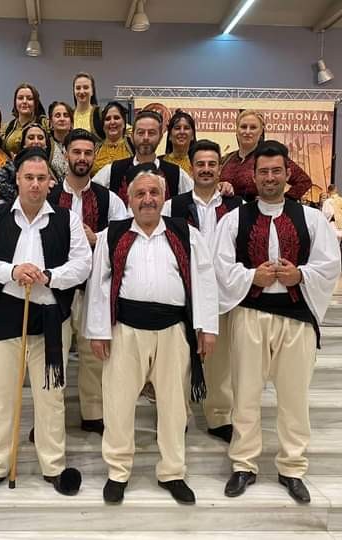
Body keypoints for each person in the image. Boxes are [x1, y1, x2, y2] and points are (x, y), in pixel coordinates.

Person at [213, 141, 341, 504]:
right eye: (263, 172)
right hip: (250, 314)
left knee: (294, 397)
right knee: (245, 395)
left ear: (287, 174)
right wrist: (251, 276)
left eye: (276, 171)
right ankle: (244, 464)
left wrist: (300, 275)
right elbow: (220, 266)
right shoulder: (234, 219)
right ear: (253, 176)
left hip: (296, 318)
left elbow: (329, 264)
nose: (270, 178)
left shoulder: (311, 219)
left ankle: (292, 467)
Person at [84, 170, 218, 505]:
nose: (147, 200)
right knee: (117, 403)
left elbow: (204, 279)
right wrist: (99, 331)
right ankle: (118, 471)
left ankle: (172, 472)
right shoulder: (113, 235)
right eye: (140, 194)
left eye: (154, 193)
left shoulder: (184, 233)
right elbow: (99, 285)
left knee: (174, 406)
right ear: (129, 200)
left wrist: (207, 326)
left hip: (173, 330)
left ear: (164, 197)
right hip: (125, 330)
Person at [0, 147, 92, 497]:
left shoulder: (67, 219)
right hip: (2, 316)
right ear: (18, 180)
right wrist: (12, 271)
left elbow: (83, 264)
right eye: (28, 178)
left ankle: (54, 466)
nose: (35, 184)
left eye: (41, 178)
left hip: (50, 319)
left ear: (50, 182)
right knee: (3, 395)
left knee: (51, 396)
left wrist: (49, 276)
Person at [47, 128, 127, 434]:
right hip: (55, 287)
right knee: (53, 351)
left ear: (94, 156)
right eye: (76, 152)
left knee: (94, 354)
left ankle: (93, 413)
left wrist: (97, 238)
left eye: (88, 153)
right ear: (65, 154)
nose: (82, 158)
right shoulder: (50, 196)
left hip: (94, 285)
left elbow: (124, 236)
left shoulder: (109, 199)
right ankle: (50, 417)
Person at [162, 139, 242, 444]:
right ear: (191, 167)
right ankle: (177, 414)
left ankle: (219, 416)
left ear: (220, 168)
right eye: (200, 164)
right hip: (182, 291)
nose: (206, 169)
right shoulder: (173, 206)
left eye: (212, 164)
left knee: (219, 360)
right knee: (179, 359)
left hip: (221, 293)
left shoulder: (236, 207)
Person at [93, 110, 194, 204]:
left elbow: (195, 199)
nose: (146, 138)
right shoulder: (113, 170)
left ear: (160, 137)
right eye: (141, 132)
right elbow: (90, 193)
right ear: (132, 136)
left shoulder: (176, 173)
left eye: (151, 133)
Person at [219, 110, 311, 201]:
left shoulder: (269, 157)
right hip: (225, 209)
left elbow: (304, 181)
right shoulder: (227, 159)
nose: (247, 131)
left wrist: (283, 201)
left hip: (256, 210)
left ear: (260, 131)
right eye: (243, 127)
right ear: (237, 130)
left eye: (253, 127)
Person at [0, 122, 61, 206]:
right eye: (31, 138)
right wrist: (20, 197)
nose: (36, 141)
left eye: (40, 138)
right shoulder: (16, 164)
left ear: (46, 144)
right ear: (24, 144)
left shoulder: (52, 166)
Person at [2, 83, 49, 157]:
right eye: (20, 98)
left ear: (36, 102)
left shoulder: (45, 124)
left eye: (29, 99)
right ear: (15, 102)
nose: (24, 101)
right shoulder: (6, 127)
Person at [91, 101, 134, 176]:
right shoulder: (94, 149)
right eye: (107, 119)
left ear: (124, 123)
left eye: (116, 118)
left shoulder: (133, 145)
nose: (112, 122)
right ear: (103, 125)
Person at [160, 110, 197, 175]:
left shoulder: (199, 163)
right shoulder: (159, 163)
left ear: (192, 136)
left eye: (186, 128)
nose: (182, 132)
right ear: (170, 136)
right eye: (177, 128)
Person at [48, 101, 73, 179]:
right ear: (51, 122)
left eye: (66, 115)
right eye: (57, 115)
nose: (62, 119)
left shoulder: (79, 144)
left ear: (71, 122)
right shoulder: (46, 145)